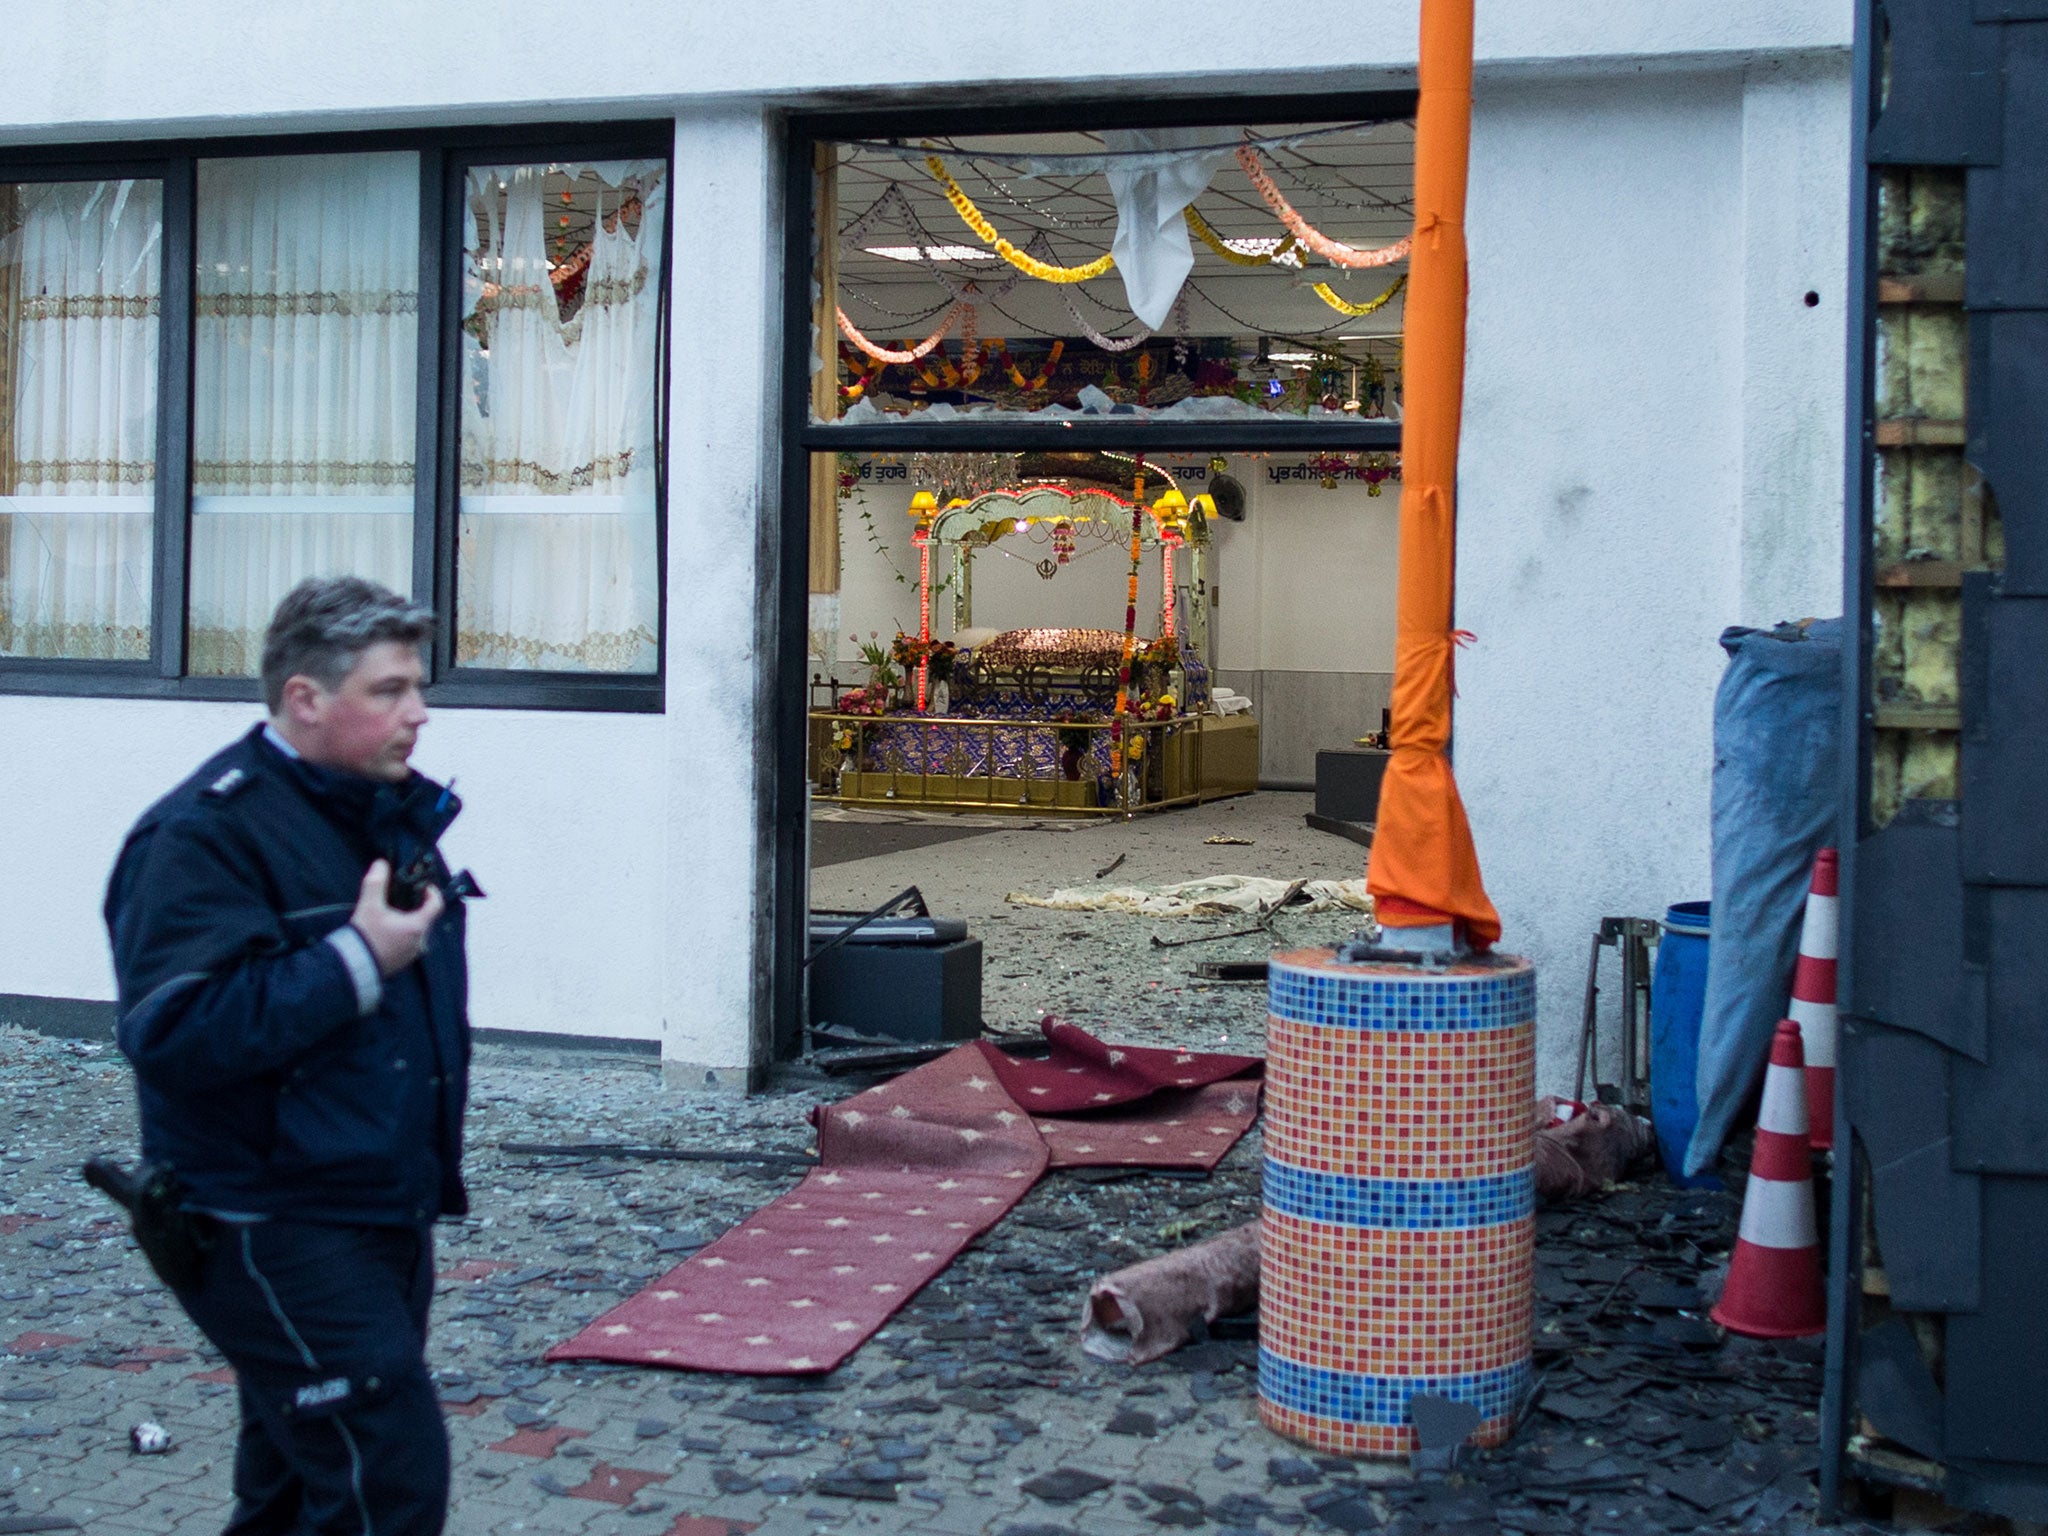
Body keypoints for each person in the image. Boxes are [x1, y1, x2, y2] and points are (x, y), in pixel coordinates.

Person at [105, 576, 477, 1536]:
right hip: (265, 1216)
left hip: (380, 1199)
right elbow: (174, 1031)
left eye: (417, 688)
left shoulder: (380, 813)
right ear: (305, 699)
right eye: (389, 691)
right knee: (383, 1476)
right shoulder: (203, 837)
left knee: (291, 1487)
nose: (419, 713)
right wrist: (357, 960)